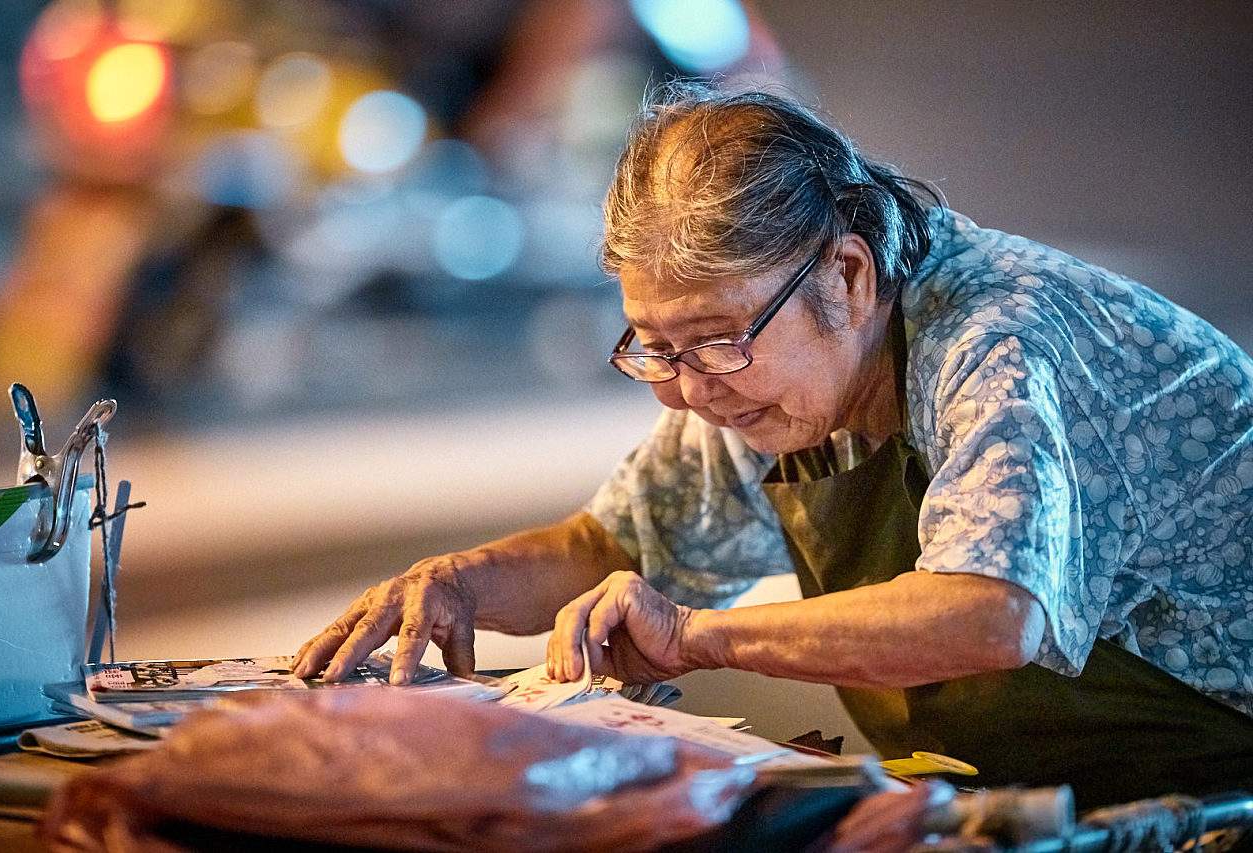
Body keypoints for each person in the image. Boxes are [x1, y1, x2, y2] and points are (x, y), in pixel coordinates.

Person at [295, 83, 1253, 806]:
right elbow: (626, 543)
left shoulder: (998, 337)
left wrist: (697, 638)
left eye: (717, 339)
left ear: (848, 273)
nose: (689, 388)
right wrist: (458, 584)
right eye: (656, 346)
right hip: (1047, 789)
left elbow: (990, 613)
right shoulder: (768, 371)